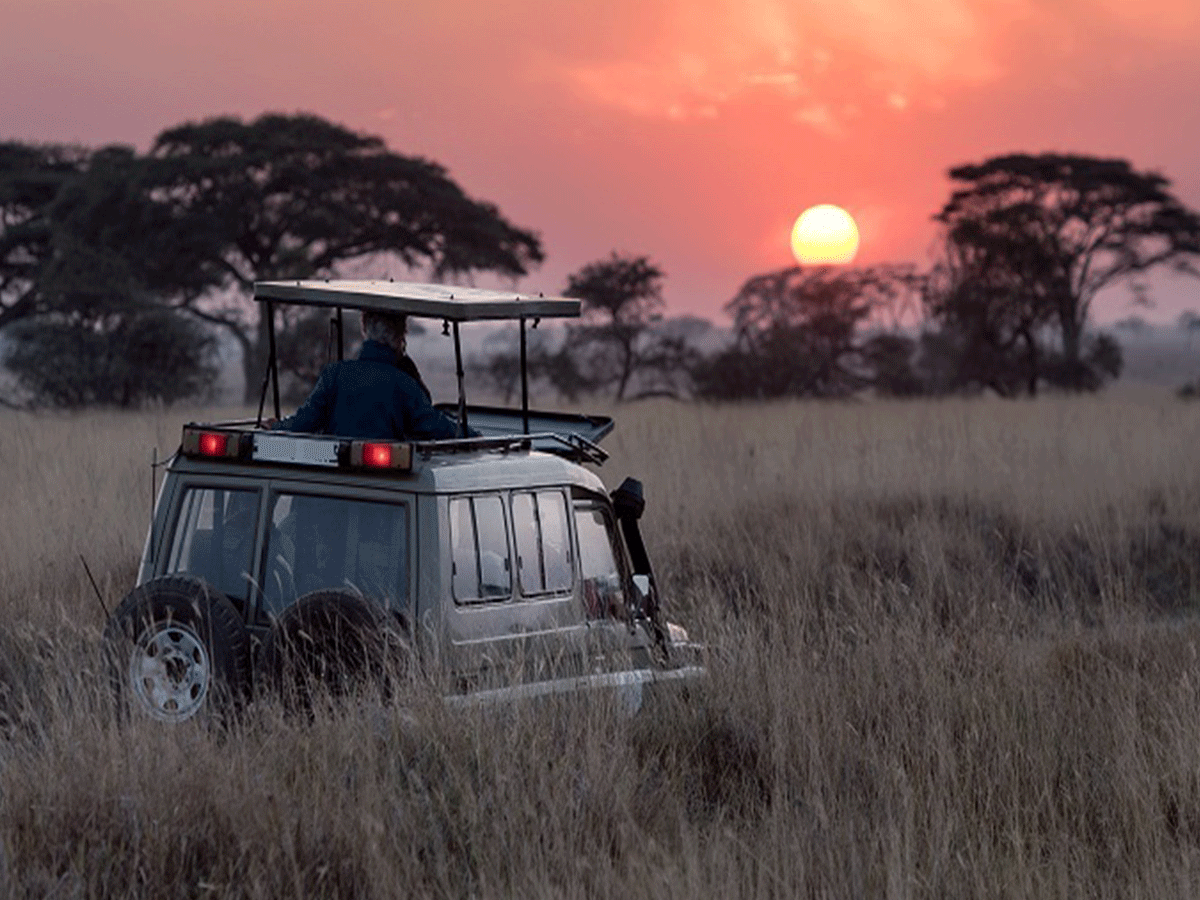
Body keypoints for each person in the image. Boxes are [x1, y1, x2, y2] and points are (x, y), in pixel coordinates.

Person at [272, 309, 465, 440]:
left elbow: (305, 421)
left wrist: (275, 428)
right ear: (401, 335)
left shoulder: (334, 374)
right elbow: (434, 425)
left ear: (364, 328)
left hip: (335, 478)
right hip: (389, 482)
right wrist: (471, 435)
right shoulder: (405, 384)